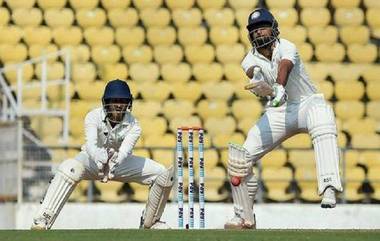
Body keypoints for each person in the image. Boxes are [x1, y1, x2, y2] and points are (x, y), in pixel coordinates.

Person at [224, 8, 343, 229]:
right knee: (240, 157)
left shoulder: (288, 46)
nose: (259, 33)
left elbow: (284, 66)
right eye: (255, 30)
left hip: (306, 104)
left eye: (263, 27)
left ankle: (329, 186)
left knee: (323, 115)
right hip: (278, 111)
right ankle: (244, 217)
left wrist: (278, 87)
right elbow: (253, 73)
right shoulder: (249, 58)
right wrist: (260, 85)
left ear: (274, 27)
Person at [31, 79, 174, 230]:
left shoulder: (134, 125)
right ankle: (42, 219)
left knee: (162, 174)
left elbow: (125, 150)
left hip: (119, 163)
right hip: (91, 161)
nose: (119, 105)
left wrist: (115, 160)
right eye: (115, 101)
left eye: (123, 101)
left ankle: (150, 222)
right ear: (106, 102)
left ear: (128, 103)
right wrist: (102, 157)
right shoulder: (93, 116)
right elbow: (91, 146)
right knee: (69, 167)